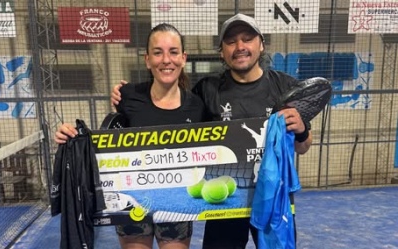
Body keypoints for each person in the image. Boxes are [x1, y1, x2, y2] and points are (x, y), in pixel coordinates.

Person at [111, 13, 312, 249]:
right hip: (225, 200)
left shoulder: (286, 86)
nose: (240, 47)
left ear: (261, 44)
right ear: (222, 52)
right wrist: (126, 95)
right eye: (231, 42)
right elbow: (177, 112)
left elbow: (303, 146)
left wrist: (300, 131)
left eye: (247, 39)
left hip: (273, 201)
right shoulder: (207, 90)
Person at [55, 23, 205, 249]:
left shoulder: (197, 106)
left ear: (183, 58)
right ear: (147, 60)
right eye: (158, 52)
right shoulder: (127, 96)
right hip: (132, 205)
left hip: (177, 206)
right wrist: (73, 138)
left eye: (173, 52)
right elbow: (108, 142)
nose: (166, 59)